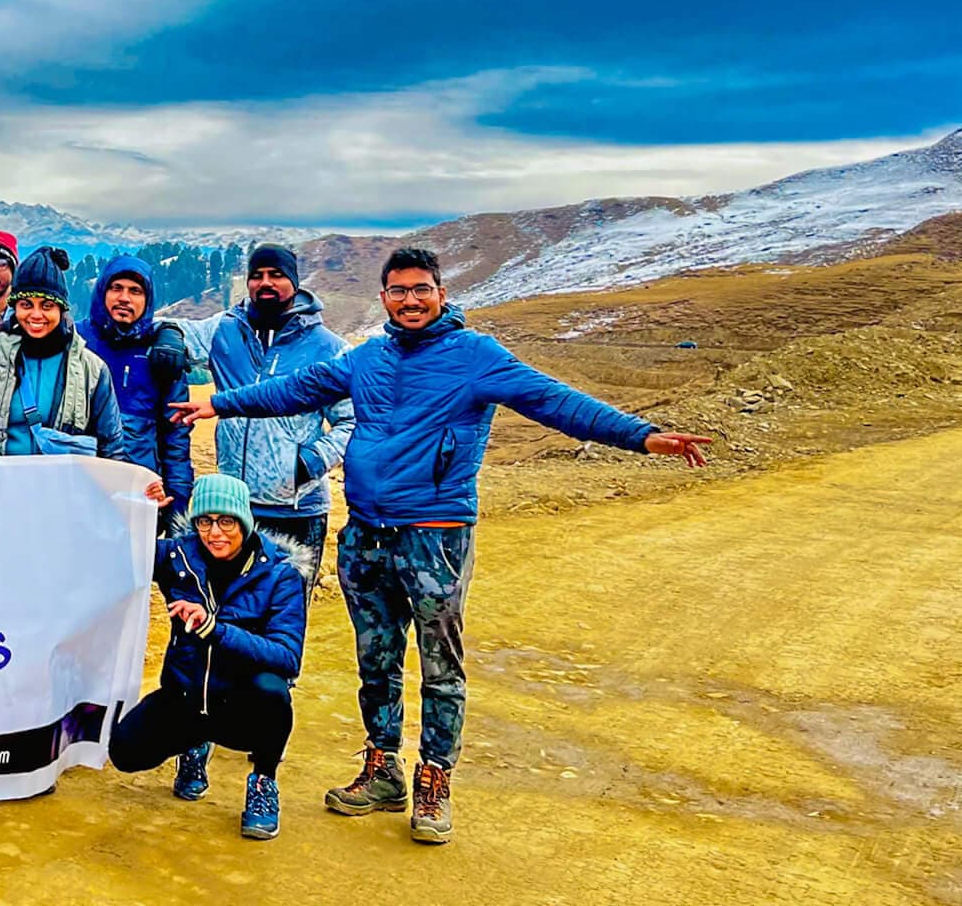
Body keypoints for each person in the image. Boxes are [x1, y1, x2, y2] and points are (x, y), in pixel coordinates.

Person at [172, 246, 715, 845]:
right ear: (384, 298)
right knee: (375, 661)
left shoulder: (476, 357)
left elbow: (556, 401)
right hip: (366, 536)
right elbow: (291, 390)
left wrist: (642, 436)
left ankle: (435, 779)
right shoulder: (367, 357)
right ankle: (382, 768)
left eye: (421, 289)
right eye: (398, 290)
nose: (410, 299)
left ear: (440, 294)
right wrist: (215, 404)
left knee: (439, 665)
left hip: (436, 536)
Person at [112, 474, 305, 842]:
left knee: (273, 692)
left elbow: (287, 656)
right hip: (184, 698)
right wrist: (141, 510)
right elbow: (119, 546)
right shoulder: (178, 555)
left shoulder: (281, 574)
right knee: (124, 753)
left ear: (244, 521)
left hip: (242, 706)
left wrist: (214, 629)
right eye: (205, 521)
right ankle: (193, 746)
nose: (215, 532)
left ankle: (264, 781)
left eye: (226, 521)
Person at [204, 245, 350, 590]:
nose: (265, 283)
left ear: (295, 283)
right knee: (229, 614)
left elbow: (352, 421)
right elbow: (179, 332)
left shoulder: (329, 348)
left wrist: (311, 461)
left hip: (298, 511)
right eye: (257, 276)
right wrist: (168, 337)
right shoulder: (226, 332)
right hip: (235, 508)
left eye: (276, 275)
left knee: (287, 617)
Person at [0, 247, 125, 462]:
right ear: (15, 307)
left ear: (61, 309)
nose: (36, 315)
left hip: (64, 490)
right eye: (26, 305)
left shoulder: (92, 370)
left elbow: (110, 445)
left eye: (47, 306)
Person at [79, 254, 195, 523]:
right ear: (101, 292)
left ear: (148, 299)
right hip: (82, 489)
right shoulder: (75, 342)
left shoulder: (162, 353)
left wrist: (177, 501)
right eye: (116, 288)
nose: (124, 298)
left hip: (140, 492)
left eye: (135, 291)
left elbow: (176, 433)